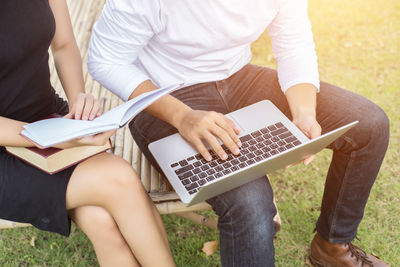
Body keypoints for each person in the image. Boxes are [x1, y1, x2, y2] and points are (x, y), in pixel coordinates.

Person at [87, 0, 390, 266]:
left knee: (370, 124)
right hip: (167, 95)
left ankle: (331, 247)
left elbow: (293, 40)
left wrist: (304, 113)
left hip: (239, 77)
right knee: (250, 201)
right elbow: (105, 59)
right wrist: (182, 116)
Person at [0, 1, 176, 266]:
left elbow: (63, 45)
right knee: (118, 179)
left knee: (99, 219)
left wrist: (78, 107)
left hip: (50, 118)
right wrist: (54, 137)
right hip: (9, 149)